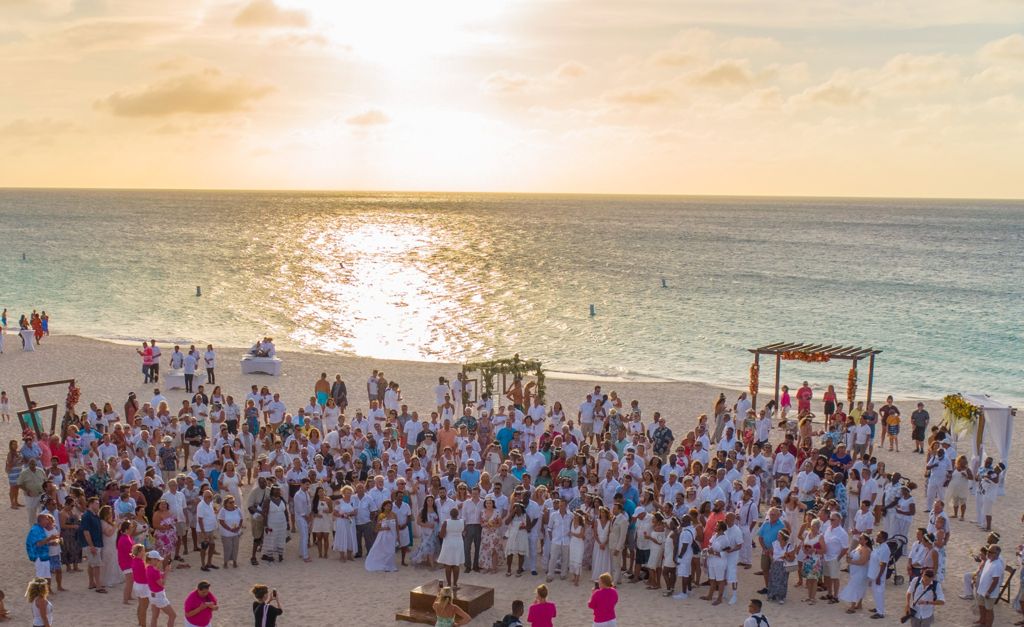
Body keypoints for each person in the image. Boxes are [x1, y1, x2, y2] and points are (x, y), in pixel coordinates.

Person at [146, 549, 176, 627]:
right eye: (157, 560)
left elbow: (157, 576)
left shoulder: (149, 568)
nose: (159, 561)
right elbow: (162, 584)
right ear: (152, 560)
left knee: (154, 617)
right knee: (172, 615)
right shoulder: (154, 571)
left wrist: (162, 572)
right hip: (159, 596)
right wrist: (166, 572)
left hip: (152, 595)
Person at [438, 506, 466, 588]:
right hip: (458, 543)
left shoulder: (446, 522)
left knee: (448, 565)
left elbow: (442, 535)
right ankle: (455, 583)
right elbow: (464, 532)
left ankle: (449, 584)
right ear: (458, 514)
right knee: (456, 564)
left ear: (450, 514)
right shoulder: (462, 522)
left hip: (449, 543)